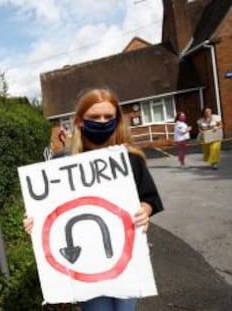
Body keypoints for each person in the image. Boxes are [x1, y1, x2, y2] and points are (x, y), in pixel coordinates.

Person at [23, 88, 164, 311]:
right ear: (80, 122)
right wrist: (36, 222)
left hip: (126, 255)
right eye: (95, 117)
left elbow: (149, 197)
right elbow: (52, 209)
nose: (102, 122)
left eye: (108, 117)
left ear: (117, 120)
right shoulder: (63, 163)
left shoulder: (131, 157)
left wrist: (144, 211)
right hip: (85, 261)